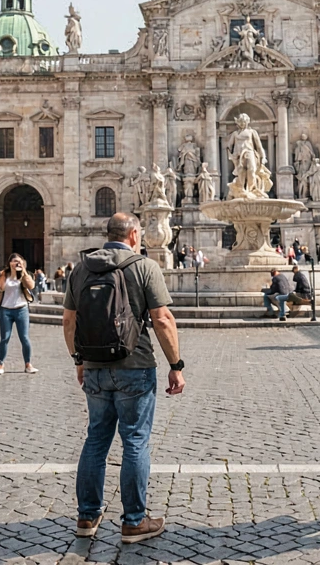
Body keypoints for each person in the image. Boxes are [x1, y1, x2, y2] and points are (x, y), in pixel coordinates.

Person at [64, 213, 185, 544]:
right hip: (135, 364)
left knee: (95, 439)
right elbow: (162, 319)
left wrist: (79, 360)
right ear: (133, 235)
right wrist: (176, 364)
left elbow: (69, 321)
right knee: (134, 440)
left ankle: (87, 516)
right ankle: (134, 521)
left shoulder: (81, 268)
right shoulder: (143, 266)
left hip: (93, 365)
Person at [0, 253, 37, 375]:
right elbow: (1, 288)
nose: (17, 263)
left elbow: (31, 286)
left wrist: (22, 271)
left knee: (24, 338)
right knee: (5, 338)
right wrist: (8, 274)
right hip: (6, 309)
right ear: (9, 263)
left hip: (21, 309)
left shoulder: (25, 274)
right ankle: (1, 364)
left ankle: (28, 364)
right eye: (14, 261)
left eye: (19, 261)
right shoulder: (5, 274)